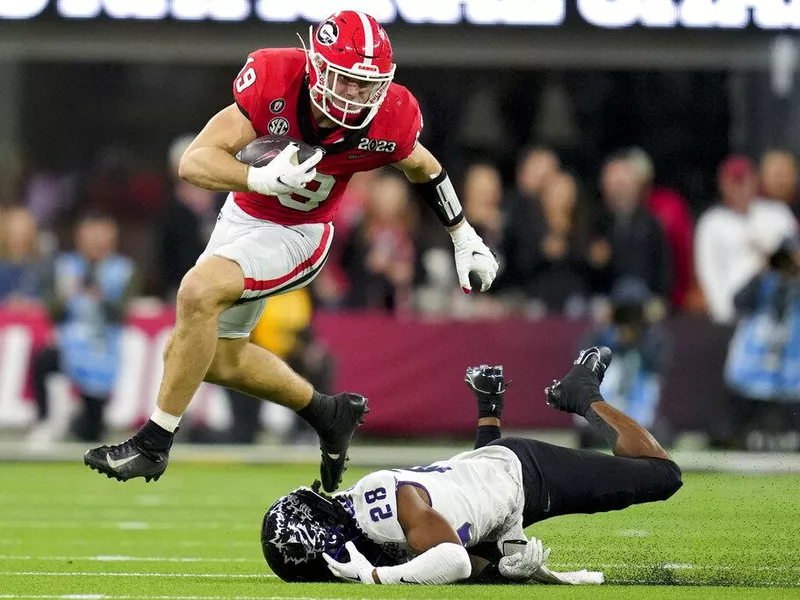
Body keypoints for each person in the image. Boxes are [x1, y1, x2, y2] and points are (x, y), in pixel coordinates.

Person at [83, 10, 499, 492]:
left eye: (368, 86)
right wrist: (256, 177)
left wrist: (464, 235)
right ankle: (328, 412)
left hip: (303, 231)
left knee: (197, 292)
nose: (356, 97)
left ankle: (152, 444)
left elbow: (425, 168)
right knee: (211, 357)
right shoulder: (276, 77)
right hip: (242, 215)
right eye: (345, 81)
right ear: (316, 67)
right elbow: (195, 162)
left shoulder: (389, 117)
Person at [260, 347, 683, 585]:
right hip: (490, 494)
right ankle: (489, 405)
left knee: (662, 475)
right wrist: (504, 571)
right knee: (482, 515)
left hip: (527, 475)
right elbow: (465, 559)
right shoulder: (370, 522)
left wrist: (373, 576)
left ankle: (583, 393)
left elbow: (452, 561)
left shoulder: (377, 510)